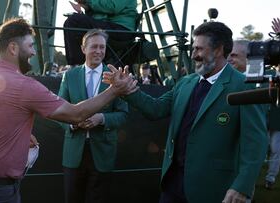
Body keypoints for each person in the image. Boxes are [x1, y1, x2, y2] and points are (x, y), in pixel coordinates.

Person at [0, 18, 132, 203]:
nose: (33, 51)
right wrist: (115, 90)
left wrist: (19, 137)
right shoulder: (24, 85)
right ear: (14, 48)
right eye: (30, 45)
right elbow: (75, 114)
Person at [103, 21, 268, 203]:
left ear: (219, 50)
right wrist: (129, 91)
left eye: (199, 49)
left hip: (212, 188)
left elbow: (256, 142)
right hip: (173, 184)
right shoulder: (185, 83)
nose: (193, 54)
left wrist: (242, 187)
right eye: (193, 48)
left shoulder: (243, 86)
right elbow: (156, 109)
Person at [58, 29, 128, 203]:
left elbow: (123, 114)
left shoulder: (116, 77)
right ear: (83, 48)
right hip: (74, 154)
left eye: (102, 47)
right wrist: (73, 123)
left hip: (103, 154)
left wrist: (102, 119)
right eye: (94, 46)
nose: (98, 51)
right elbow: (58, 110)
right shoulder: (70, 76)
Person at [63, 0, 137, 65]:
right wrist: (85, 7)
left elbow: (112, 7)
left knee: (74, 21)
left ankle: (77, 66)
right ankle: (80, 65)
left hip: (121, 29)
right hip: (109, 26)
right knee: (72, 22)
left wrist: (88, 1)